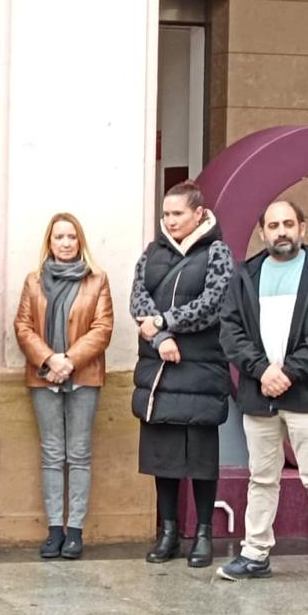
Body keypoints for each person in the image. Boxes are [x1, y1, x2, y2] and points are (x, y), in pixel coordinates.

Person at [218, 200, 308, 595]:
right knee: (261, 478)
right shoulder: (245, 275)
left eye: (288, 223)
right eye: (273, 225)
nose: (281, 231)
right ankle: (255, 553)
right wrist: (262, 371)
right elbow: (231, 331)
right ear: (262, 232)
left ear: (303, 228)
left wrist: (287, 373)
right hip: (260, 395)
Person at [130, 180, 235, 570]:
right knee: (165, 458)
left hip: (201, 370)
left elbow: (213, 303)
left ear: (198, 213)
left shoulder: (218, 253)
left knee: (201, 459)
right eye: (166, 214)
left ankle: (203, 532)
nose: (170, 221)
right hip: (160, 370)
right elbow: (138, 298)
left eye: (177, 214)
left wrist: (165, 321)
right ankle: (169, 532)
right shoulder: (152, 252)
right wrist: (160, 338)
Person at [13, 213, 114, 560]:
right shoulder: (34, 281)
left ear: (80, 241)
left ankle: (75, 531)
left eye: (72, 237)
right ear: (49, 243)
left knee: (80, 454)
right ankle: (54, 529)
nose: (67, 243)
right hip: (44, 378)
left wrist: (68, 360)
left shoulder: (97, 280)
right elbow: (23, 326)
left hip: (83, 377)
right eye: (60, 237)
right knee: (53, 454)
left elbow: (102, 328)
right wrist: (49, 360)